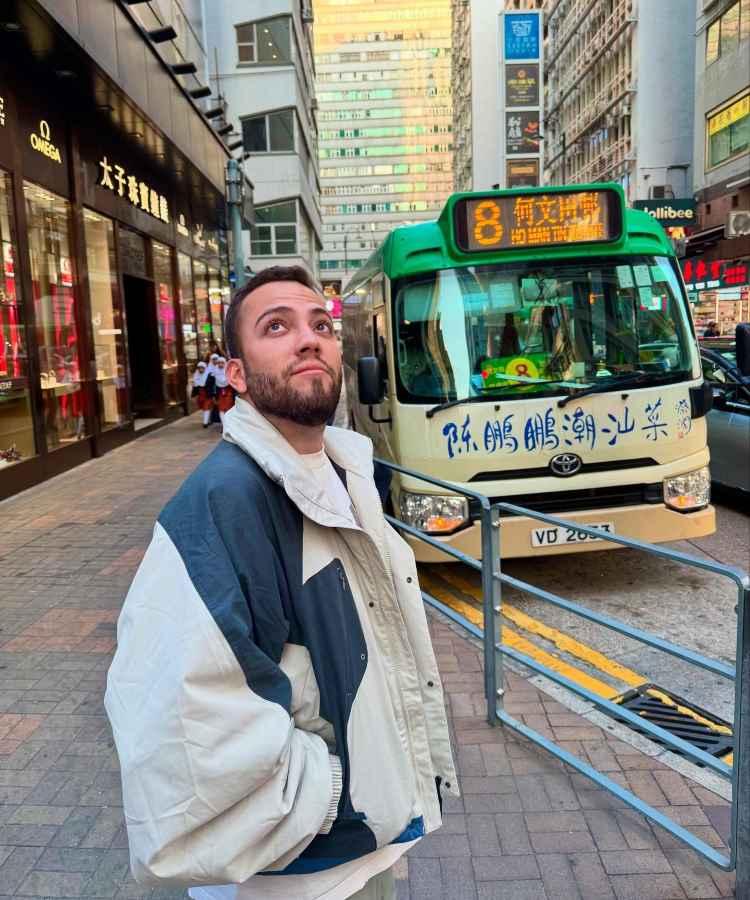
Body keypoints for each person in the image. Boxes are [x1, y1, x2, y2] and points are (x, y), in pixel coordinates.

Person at [104, 265, 457, 900]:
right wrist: (329, 793)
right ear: (235, 374)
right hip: (296, 874)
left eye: (321, 325)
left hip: (361, 851)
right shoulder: (227, 499)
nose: (308, 339)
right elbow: (171, 723)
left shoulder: (342, 471)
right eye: (276, 326)